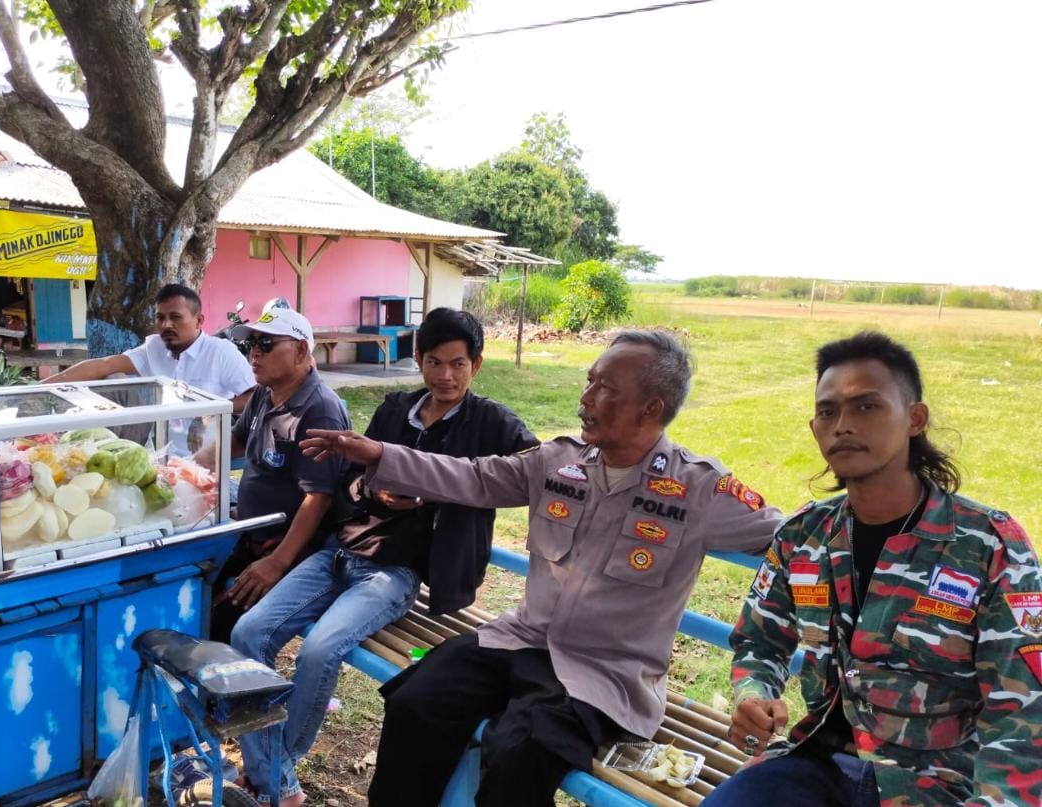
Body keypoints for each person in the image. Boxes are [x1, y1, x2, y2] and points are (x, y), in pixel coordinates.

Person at [301, 329, 784, 807]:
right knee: (416, 700)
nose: (586, 396)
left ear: (651, 408)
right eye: (589, 381)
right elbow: (473, 477)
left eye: (605, 388)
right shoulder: (559, 459)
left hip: (607, 673)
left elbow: (796, 536)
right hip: (522, 640)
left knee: (518, 752)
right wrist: (380, 454)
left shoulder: (699, 489)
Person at [706, 332, 1042, 807]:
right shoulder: (805, 536)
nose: (843, 425)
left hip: (936, 785)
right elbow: (759, 641)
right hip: (814, 764)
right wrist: (753, 692)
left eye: (866, 407)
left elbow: (1024, 709)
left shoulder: (988, 545)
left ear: (914, 419)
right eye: (828, 412)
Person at [231, 309, 538, 806]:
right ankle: (280, 783)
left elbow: (536, 467)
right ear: (417, 360)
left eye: (458, 364)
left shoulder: (491, 422)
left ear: (476, 366)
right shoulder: (396, 409)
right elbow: (352, 479)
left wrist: (455, 485)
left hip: (397, 572)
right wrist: (376, 487)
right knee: (248, 632)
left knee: (318, 650)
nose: (446, 376)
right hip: (341, 550)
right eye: (435, 362)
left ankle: (271, 776)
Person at [209, 307, 350, 643]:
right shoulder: (264, 391)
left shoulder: (320, 411)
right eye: (251, 345)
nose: (255, 353)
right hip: (250, 533)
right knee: (194, 583)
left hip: (290, 547)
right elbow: (237, 441)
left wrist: (277, 562)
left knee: (223, 623)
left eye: (267, 344)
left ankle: (230, 694)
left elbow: (318, 498)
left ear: (301, 350)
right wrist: (186, 469)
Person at [46, 283, 255, 414]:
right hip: (162, 453)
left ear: (199, 320)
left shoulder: (221, 352)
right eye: (160, 317)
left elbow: (253, 398)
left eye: (175, 317)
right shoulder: (153, 348)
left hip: (209, 454)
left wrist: (211, 408)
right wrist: (37, 388)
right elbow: (103, 366)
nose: (166, 325)